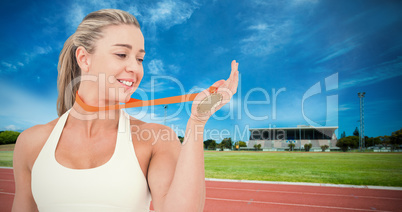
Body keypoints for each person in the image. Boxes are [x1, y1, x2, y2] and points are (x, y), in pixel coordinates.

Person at [12, 9, 239, 212]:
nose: (135, 68)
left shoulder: (156, 140)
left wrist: (197, 122)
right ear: (84, 58)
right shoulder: (31, 142)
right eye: (122, 54)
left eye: (140, 58)